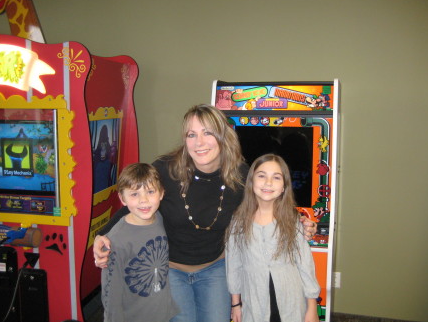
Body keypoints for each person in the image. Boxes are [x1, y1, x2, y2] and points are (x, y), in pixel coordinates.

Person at [94, 104, 317, 322]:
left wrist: (301, 222)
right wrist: (103, 235)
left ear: (222, 136)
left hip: (215, 268)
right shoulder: (165, 169)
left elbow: (267, 200)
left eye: (207, 133)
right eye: (191, 134)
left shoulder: (240, 175)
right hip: (172, 269)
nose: (199, 142)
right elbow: (133, 202)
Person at [225, 154, 320, 322]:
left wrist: (311, 306)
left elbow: (304, 263)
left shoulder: (292, 220)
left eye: (276, 178)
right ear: (251, 181)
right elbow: (234, 265)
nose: (268, 183)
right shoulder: (238, 222)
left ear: (284, 186)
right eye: (261, 176)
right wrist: (236, 304)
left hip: (291, 304)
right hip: (255, 305)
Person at [101, 163, 179, 322]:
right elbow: (111, 293)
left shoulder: (159, 218)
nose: (144, 200)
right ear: (122, 198)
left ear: (162, 193)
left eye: (150, 192)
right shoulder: (117, 240)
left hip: (162, 313)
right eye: (134, 194)